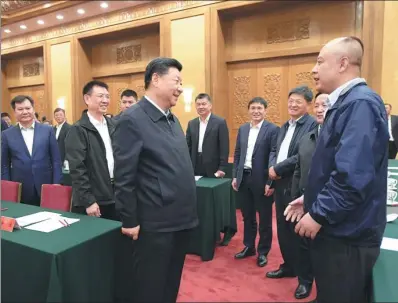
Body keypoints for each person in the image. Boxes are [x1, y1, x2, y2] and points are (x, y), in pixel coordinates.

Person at [294, 36, 388, 303]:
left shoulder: (360, 104)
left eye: (320, 61)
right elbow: (334, 166)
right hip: (341, 229)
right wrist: (310, 198)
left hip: (347, 236)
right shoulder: (347, 103)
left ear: (343, 63)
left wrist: (319, 214)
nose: (314, 69)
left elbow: (352, 177)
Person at [113, 57, 198, 303]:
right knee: (151, 287)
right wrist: (129, 220)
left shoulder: (172, 118)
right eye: (177, 81)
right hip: (154, 224)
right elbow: (124, 177)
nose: (181, 88)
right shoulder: (132, 120)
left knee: (170, 284)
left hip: (179, 219)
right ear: (156, 79)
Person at [266, 86, 317, 279]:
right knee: (283, 230)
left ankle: (305, 278)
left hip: (297, 186)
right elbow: (275, 151)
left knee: (299, 233)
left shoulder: (312, 126)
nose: (293, 105)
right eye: (291, 101)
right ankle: (289, 266)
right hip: (279, 185)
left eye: (298, 101)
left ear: (308, 104)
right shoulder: (285, 126)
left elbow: (302, 157)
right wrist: (272, 169)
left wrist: (278, 169)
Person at [284, 93, 329, 299]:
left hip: (329, 205)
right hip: (304, 201)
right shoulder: (308, 137)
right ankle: (304, 281)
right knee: (303, 245)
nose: (319, 109)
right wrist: (295, 196)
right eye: (317, 105)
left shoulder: (340, 137)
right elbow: (298, 170)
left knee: (324, 249)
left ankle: (323, 286)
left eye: (325, 105)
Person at [232, 97, 279, 267]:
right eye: (253, 108)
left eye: (259, 108)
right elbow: (237, 153)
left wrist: (271, 182)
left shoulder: (273, 129)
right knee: (247, 216)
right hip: (244, 178)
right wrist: (235, 176)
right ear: (249, 110)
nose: (256, 111)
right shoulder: (243, 129)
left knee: (265, 218)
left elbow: (275, 156)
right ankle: (249, 246)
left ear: (265, 111)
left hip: (262, 180)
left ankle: (263, 251)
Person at [65, 80, 117, 220]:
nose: (105, 100)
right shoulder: (78, 129)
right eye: (100, 96)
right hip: (94, 199)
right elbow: (77, 169)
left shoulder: (114, 125)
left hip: (116, 194)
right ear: (87, 99)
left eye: (107, 96)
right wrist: (89, 200)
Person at [1, 95, 62, 205]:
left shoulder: (47, 130)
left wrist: (56, 183)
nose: (25, 112)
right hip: (20, 188)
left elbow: (56, 160)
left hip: (46, 186)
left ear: (33, 110)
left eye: (28, 108)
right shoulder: (6, 135)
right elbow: (4, 164)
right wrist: (7, 187)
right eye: (20, 109)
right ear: (14, 112)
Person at [186, 93, 229, 178]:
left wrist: (222, 168)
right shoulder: (192, 123)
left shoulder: (220, 122)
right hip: (195, 164)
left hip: (213, 166)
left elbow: (224, 147)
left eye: (204, 104)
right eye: (198, 104)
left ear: (210, 106)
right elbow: (188, 146)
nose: (201, 107)